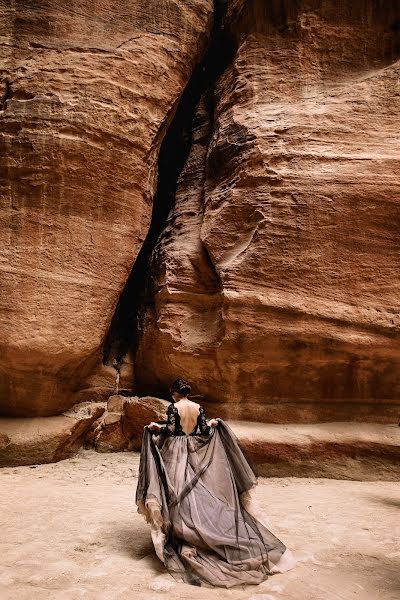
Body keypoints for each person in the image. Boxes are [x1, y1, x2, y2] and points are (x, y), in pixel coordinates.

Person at [135, 378, 296, 588]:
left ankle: (184, 528)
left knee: (176, 488)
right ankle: (194, 524)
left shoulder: (174, 407)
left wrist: (158, 427)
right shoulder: (198, 407)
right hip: (194, 449)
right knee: (196, 487)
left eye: (172, 393)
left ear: (175, 393)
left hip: (176, 451)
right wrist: (210, 424)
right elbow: (203, 430)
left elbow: (172, 430)